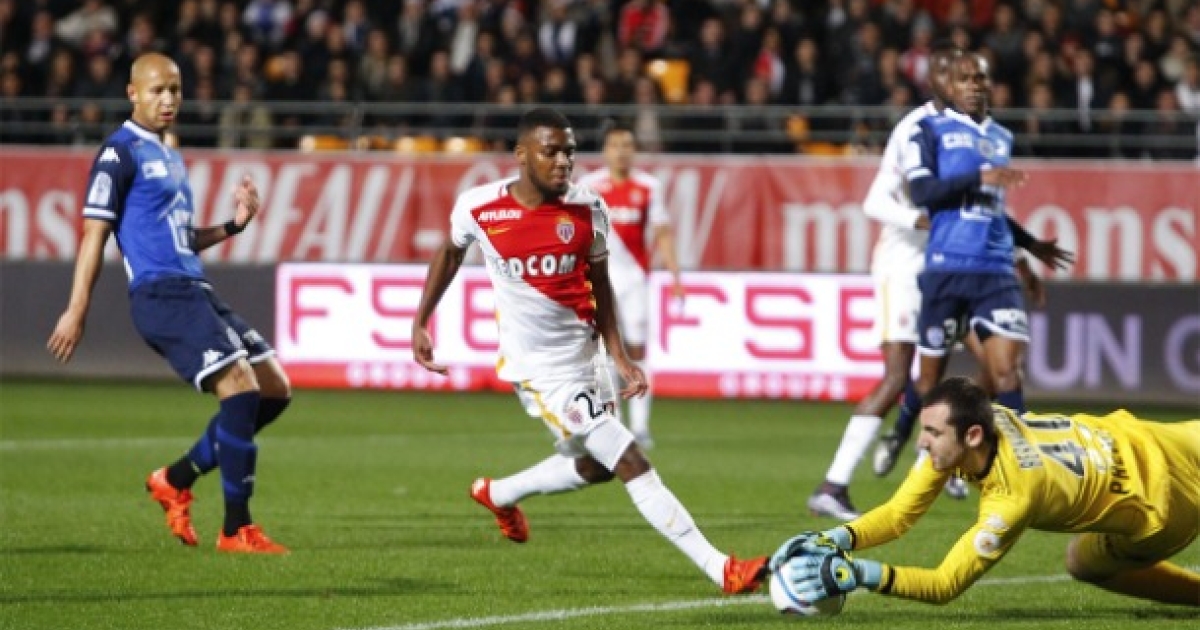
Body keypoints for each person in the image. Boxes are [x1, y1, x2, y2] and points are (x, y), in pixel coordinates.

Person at [411, 108, 766, 594]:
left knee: (598, 467)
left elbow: (601, 282)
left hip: (589, 358)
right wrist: (422, 319)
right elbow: (450, 253)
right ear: (522, 155)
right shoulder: (479, 207)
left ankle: (498, 493)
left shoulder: (589, 208)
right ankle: (721, 568)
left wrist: (618, 355)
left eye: (570, 152)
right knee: (629, 458)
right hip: (542, 372)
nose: (563, 161)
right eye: (551, 151)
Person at [807, 46, 1072, 520]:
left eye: (972, 76)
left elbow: (985, 211)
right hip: (905, 263)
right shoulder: (917, 128)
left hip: (964, 265)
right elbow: (875, 201)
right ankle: (835, 484)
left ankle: (949, 453)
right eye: (955, 75)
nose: (966, 83)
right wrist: (922, 219)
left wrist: (1023, 258)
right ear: (938, 82)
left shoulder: (983, 133)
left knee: (996, 367)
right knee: (899, 375)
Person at [46, 53, 291, 554]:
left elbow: (181, 238)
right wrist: (76, 308)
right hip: (161, 294)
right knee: (240, 389)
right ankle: (236, 529)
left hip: (194, 287)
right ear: (133, 93)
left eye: (175, 90)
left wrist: (233, 225)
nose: (168, 99)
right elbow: (94, 234)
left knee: (273, 389)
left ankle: (174, 480)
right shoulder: (119, 153)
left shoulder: (170, 154)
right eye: (157, 90)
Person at [771, 377, 1200, 607]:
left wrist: (861, 574)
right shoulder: (980, 422)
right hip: (1162, 438)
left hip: (1165, 508)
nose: (921, 442)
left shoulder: (1012, 499)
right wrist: (835, 538)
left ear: (973, 435)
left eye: (932, 432)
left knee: (1081, 562)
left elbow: (943, 584)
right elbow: (900, 514)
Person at [576, 120, 684, 450]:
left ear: (634, 150)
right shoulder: (589, 186)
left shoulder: (649, 187)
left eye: (627, 145)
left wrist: (675, 274)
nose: (621, 152)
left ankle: (640, 426)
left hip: (635, 280)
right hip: (599, 277)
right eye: (615, 145)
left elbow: (662, 231)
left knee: (637, 349)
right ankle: (614, 422)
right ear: (605, 151)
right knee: (605, 349)